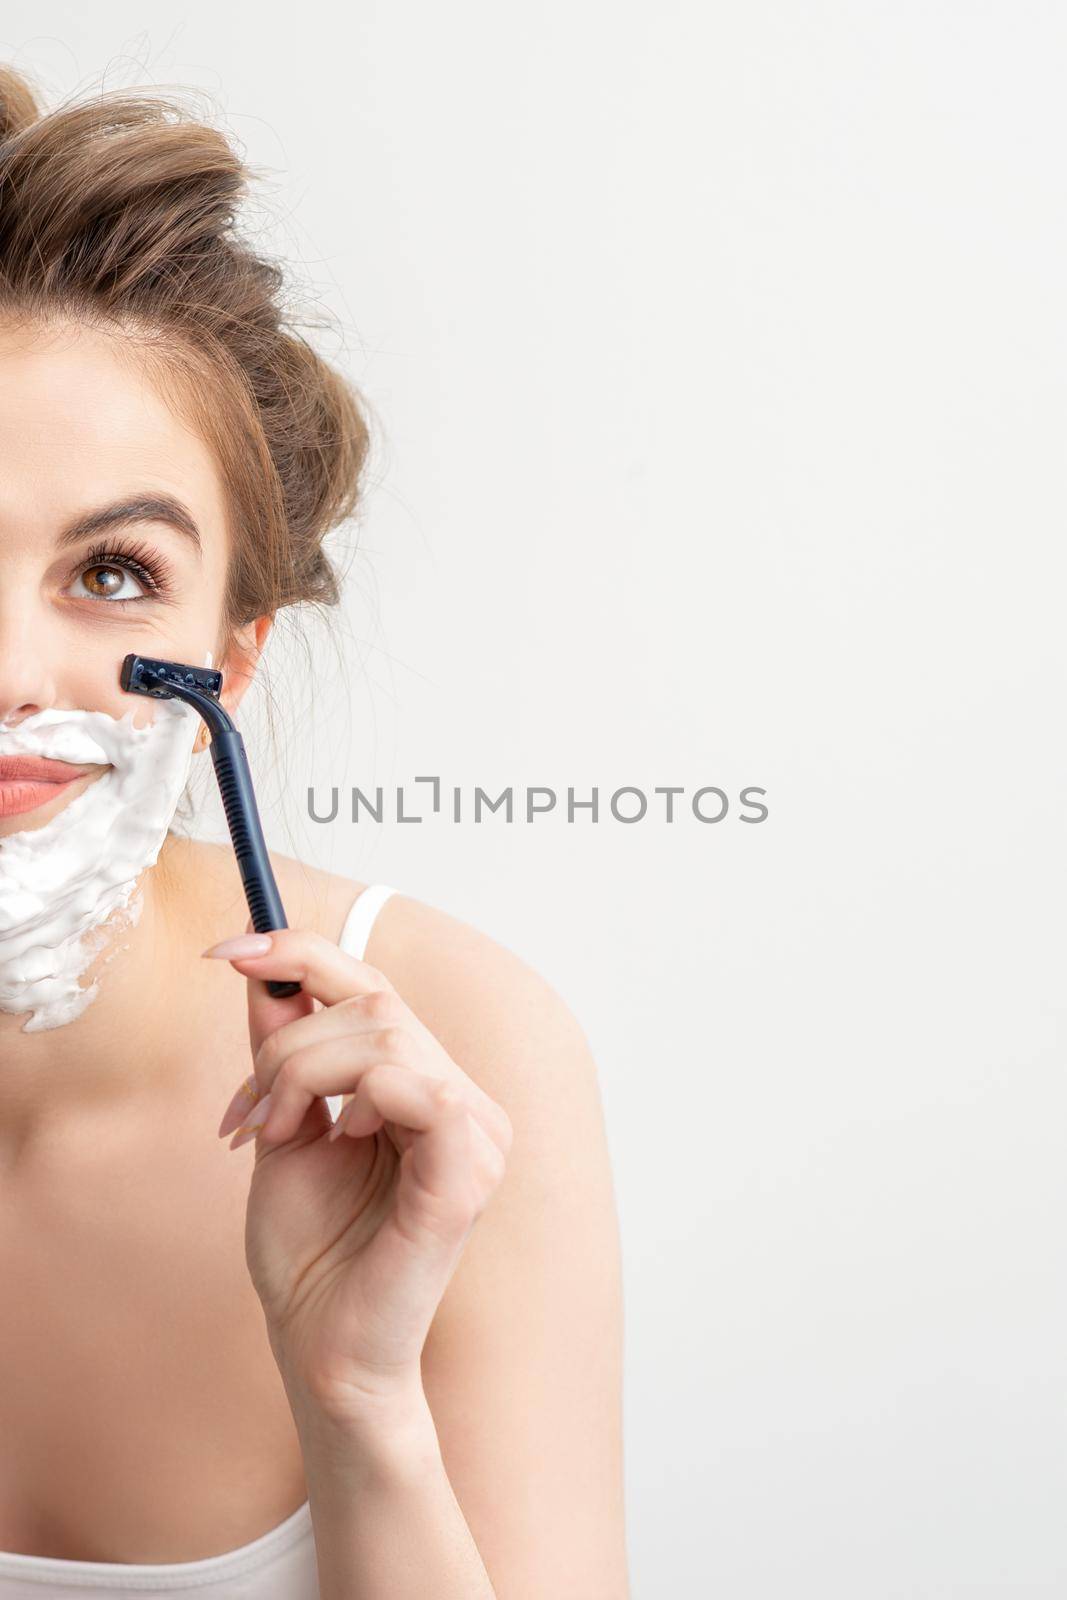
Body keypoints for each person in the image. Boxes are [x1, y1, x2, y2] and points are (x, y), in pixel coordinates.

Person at [0, 67, 628, 1599]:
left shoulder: (464, 1055)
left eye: (114, 573)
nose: (12, 677)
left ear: (230, 654)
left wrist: (363, 1403)